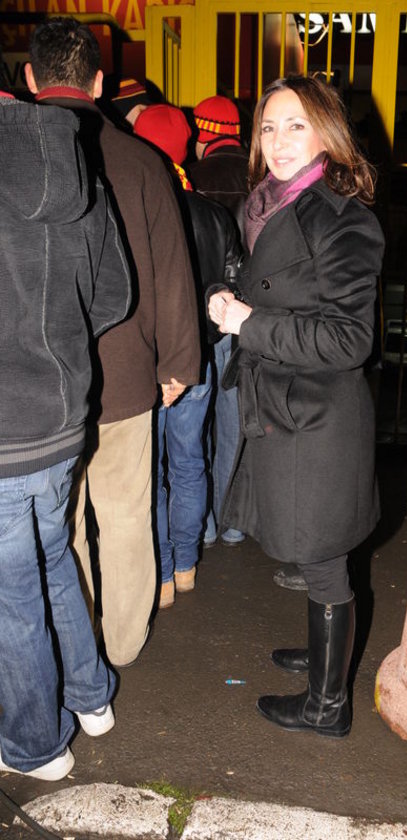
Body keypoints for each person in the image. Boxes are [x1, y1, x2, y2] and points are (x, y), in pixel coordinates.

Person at [208, 75, 385, 737]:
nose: (278, 141)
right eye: (268, 127)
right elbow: (259, 281)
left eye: (296, 126)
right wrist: (223, 294)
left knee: (323, 558)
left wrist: (248, 323)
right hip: (283, 406)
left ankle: (326, 707)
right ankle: (323, 655)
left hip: (317, 416)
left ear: (327, 135)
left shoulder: (343, 220)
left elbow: (349, 339)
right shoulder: (266, 205)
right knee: (315, 553)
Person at [26, 18, 201, 667]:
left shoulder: (15, 160)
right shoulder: (141, 160)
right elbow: (173, 269)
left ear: (30, 77)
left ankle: (77, 643)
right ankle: (124, 643)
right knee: (127, 515)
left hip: (40, 382)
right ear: (99, 82)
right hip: (126, 374)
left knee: (61, 521)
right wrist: (178, 361)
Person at [0, 62, 131, 779]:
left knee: (12, 594)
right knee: (52, 556)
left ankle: (36, 747)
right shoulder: (74, 157)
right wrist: (57, 344)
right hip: (61, 417)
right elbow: (113, 295)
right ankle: (91, 696)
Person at [134, 104, 242, 608]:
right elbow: (232, 282)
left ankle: (160, 573)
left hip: (152, 362)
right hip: (198, 356)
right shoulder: (214, 214)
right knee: (189, 460)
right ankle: (185, 565)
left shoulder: (141, 209)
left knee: (152, 470)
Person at [188, 95, 249, 551]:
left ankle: (202, 525)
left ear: (203, 133)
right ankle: (230, 522)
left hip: (193, 317)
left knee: (193, 427)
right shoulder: (261, 176)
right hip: (244, 317)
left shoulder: (190, 177)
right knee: (232, 424)